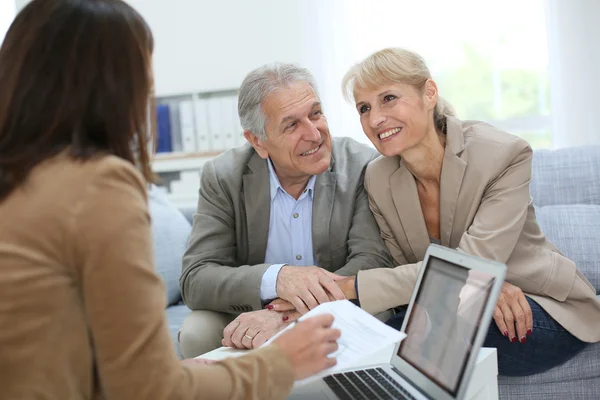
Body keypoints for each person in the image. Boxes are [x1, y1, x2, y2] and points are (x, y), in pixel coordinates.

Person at [0, 1, 342, 399]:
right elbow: (151, 389)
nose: (149, 89)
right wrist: (281, 362)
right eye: (144, 72)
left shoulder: (21, 178)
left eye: (316, 114)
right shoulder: (98, 185)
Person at [272, 47, 600, 377]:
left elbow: (470, 266)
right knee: (392, 334)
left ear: (429, 93)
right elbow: (414, 275)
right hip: (455, 307)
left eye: (388, 98)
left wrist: (344, 288)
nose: (374, 119)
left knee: (406, 337)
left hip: (542, 306)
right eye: (364, 108)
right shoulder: (378, 177)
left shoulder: (502, 154)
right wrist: (476, 285)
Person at [179, 63, 394, 357]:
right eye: (291, 125)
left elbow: (370, 261)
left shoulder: (362, 165)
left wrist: (286, 317)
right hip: (250, 306)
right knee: (195, 333)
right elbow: (196, 278)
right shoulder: (223, 176)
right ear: (258, 141)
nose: (314, 134)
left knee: (376, 314)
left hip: (336, 304)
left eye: (315, 114)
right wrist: (278, 278)